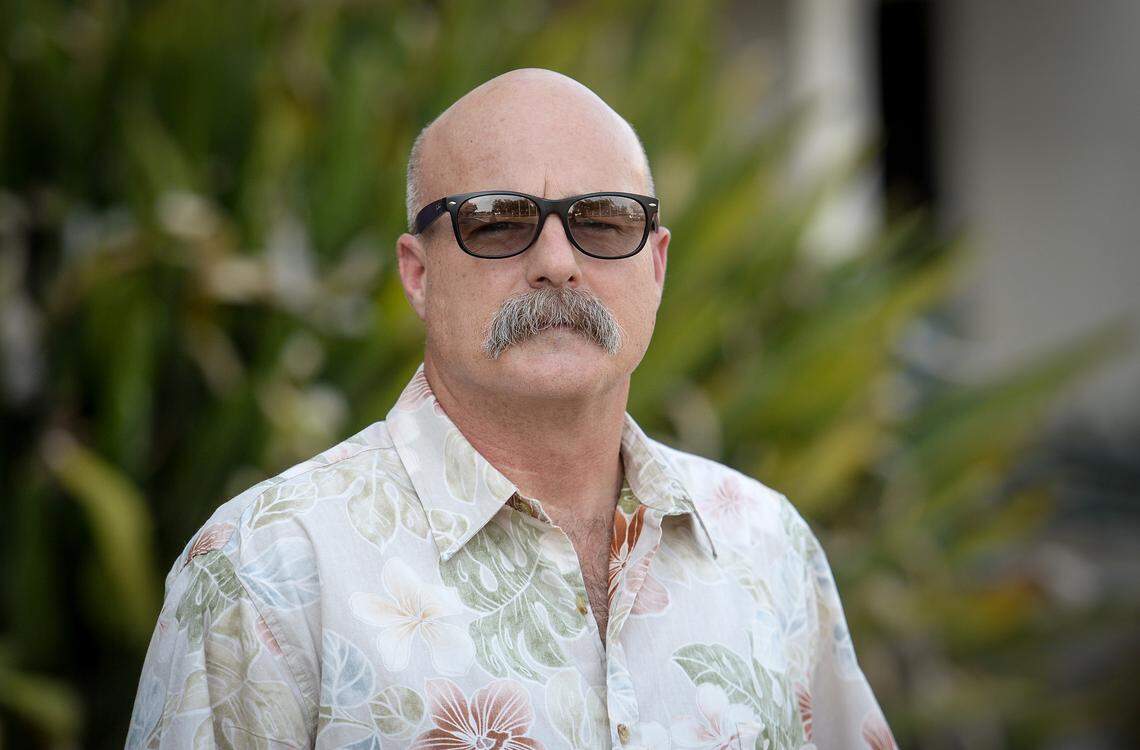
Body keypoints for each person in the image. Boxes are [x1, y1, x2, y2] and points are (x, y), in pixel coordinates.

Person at [127, 68, 896, 750]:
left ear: (656, 264)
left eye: (602, 220)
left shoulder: (768, 548)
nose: (558, 263)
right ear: (418, 273)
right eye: (496, 221)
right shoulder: (266, 570)